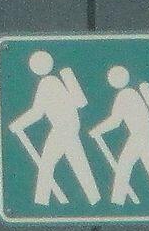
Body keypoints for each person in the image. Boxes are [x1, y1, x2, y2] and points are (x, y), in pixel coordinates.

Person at [7, 50, 99, 206]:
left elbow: (37, 112)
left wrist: (18, 124)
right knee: (78, 163)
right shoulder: (56, 81)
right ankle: (94, 199)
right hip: (71, 126)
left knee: (46, 164)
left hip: (63, 128)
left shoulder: (47, 83)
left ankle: (41, 203)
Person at [89, 62, 149, 207]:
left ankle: (117, 202)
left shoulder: (125, 95)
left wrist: (97, 130)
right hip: (145, 133)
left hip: (139, 134)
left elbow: (115, 121)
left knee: (124, 165)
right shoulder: (133, 93)